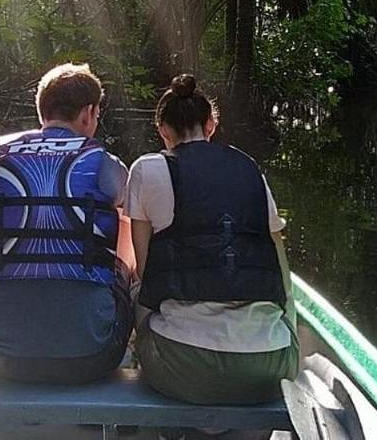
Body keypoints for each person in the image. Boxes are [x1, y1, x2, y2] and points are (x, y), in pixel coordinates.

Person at [127, 74, 298, 404]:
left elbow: (146, 274)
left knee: (131, 289)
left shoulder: (146, 170)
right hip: (271, 365)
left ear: (163, 131)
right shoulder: (249, 169)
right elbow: (281, 268)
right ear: (211, 125)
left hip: (183, 367)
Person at [0, 63, 134, 383]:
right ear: (88, 113)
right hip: (92, 355)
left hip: (0, 354)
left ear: (41, 112)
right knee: (120, 220)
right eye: (97, 116)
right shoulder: (106, 165)